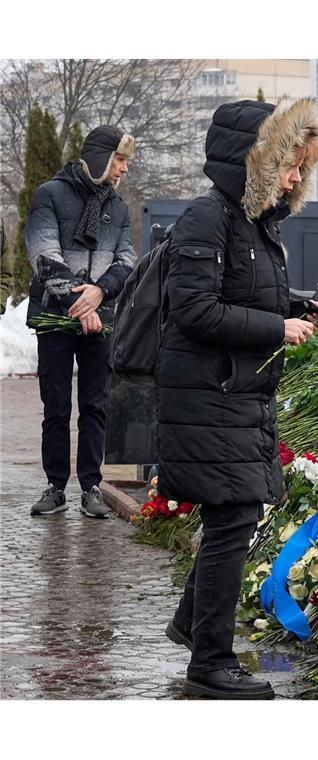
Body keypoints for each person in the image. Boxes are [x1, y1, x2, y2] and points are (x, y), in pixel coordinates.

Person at [156, 99, 318, 699]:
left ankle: (190, 624)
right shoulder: (208, 218)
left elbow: (246, 296)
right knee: (232, 516)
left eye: (301, 168)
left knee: (237, 513)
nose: (296, 178)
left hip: (236, 393)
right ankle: (210, 662)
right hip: (208, 393)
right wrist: (278, 328)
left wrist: (300, 305)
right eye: (289, 166)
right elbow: (195, 309)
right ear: (257, 161)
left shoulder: (252, 224)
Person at [26, 125, 136, 518]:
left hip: (98, 320)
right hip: (56, 319)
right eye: (120, 160)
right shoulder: (49, 195)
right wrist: (82, 302)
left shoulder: (118, 208)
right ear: (101, 157)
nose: (123, 169)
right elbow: (43, 254)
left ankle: (91, 484)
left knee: (95, 406)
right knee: (55, 406)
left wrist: (101, 293)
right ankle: (56, 486)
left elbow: (126, 260)